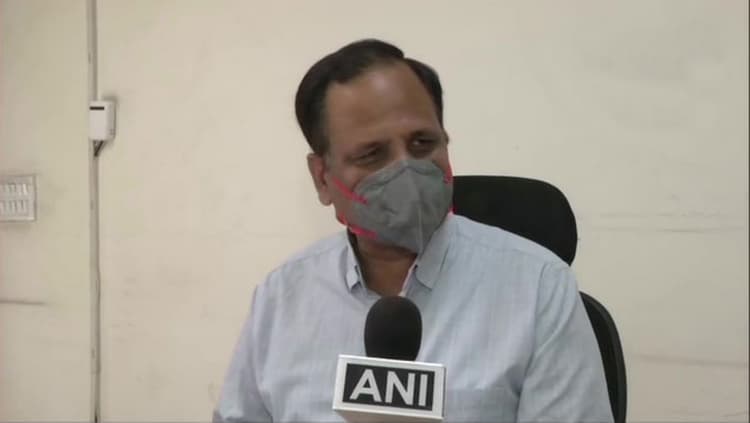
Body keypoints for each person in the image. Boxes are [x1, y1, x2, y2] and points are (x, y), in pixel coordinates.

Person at [214, 39, 613, 422]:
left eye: (422, 143)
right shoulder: (281, 298)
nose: (406, 168)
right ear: (322, 178)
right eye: (372, 154)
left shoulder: (539, 288)